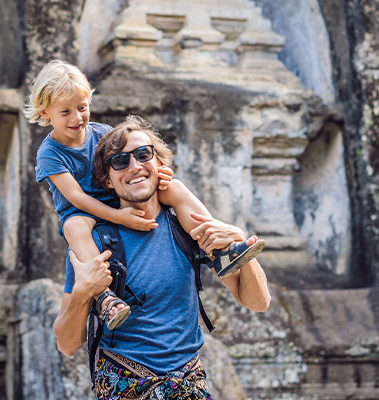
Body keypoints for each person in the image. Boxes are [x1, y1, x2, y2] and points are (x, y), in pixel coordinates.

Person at [24, 60, 263, 331]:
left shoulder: (101, 133)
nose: (77, 118)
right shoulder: (49, 153)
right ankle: (104, 296)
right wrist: (119, 218)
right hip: (81, 210)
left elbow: (136, 161)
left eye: (82, 107)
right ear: (45, 113)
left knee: (174, 188)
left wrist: (162, 173)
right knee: (74, 226)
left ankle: (219, 246)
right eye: (65, 112)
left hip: (114, 196)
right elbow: (76, 197)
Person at [53, 115, 272, 399]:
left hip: (188, 386)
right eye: (120, 161)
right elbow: (67, 345)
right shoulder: (96, 243)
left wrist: (239, 244)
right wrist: (84, 291)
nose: (135, 166)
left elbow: (257, 302)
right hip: (123, 388)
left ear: (159, 165)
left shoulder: (187, 228)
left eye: (143, 154)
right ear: (107, 179)